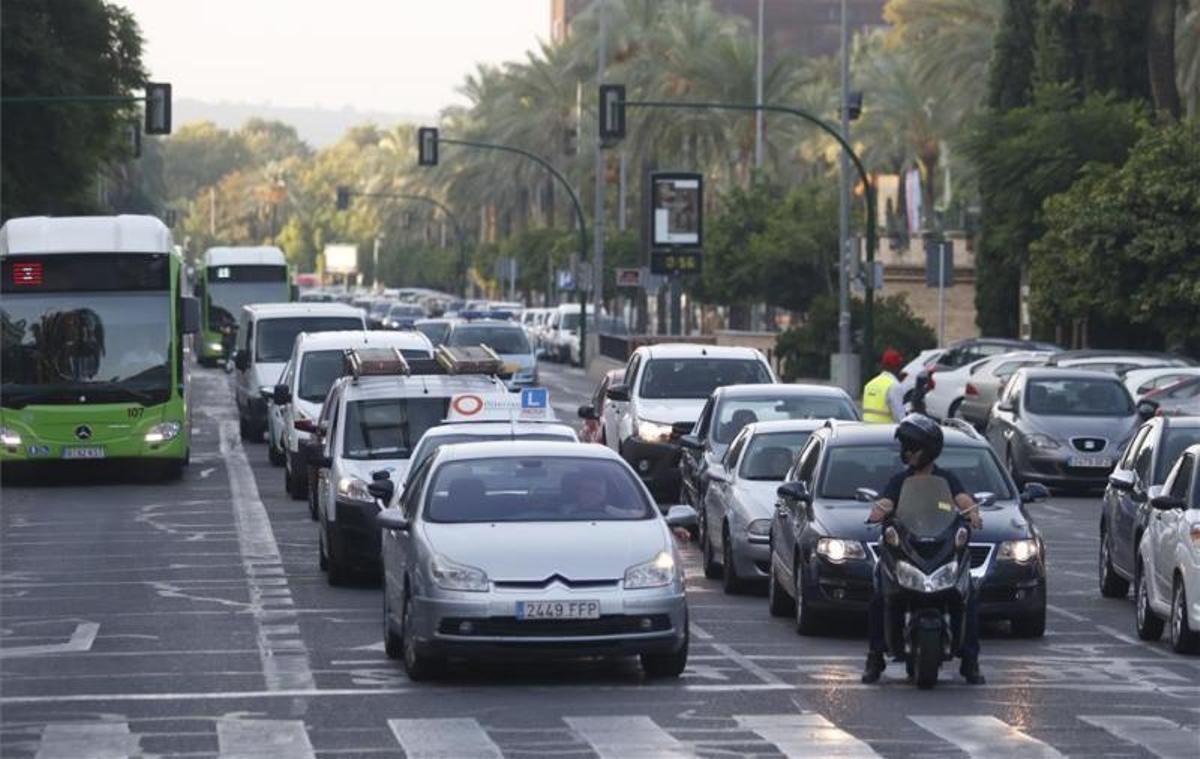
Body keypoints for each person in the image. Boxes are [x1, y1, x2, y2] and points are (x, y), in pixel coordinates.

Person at [861, 414, 986, 686]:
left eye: (911, 447)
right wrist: (877, 512)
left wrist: (972, 512)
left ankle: (970, 660)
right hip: (908, 552)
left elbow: (962, 500)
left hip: (939, 552)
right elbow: (886, 502)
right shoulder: (899, 481)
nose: (906, 453)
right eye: (904, 446)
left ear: (928, 449)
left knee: (968, 597)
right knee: (880, 597)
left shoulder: (947, 479)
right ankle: (875, 656)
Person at [862, 348, 906, 424]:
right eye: (899, 365)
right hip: (886, 432)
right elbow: (900, 417)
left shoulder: (869, 385)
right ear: (895, 367)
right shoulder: (894, 386)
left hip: (867, 432)